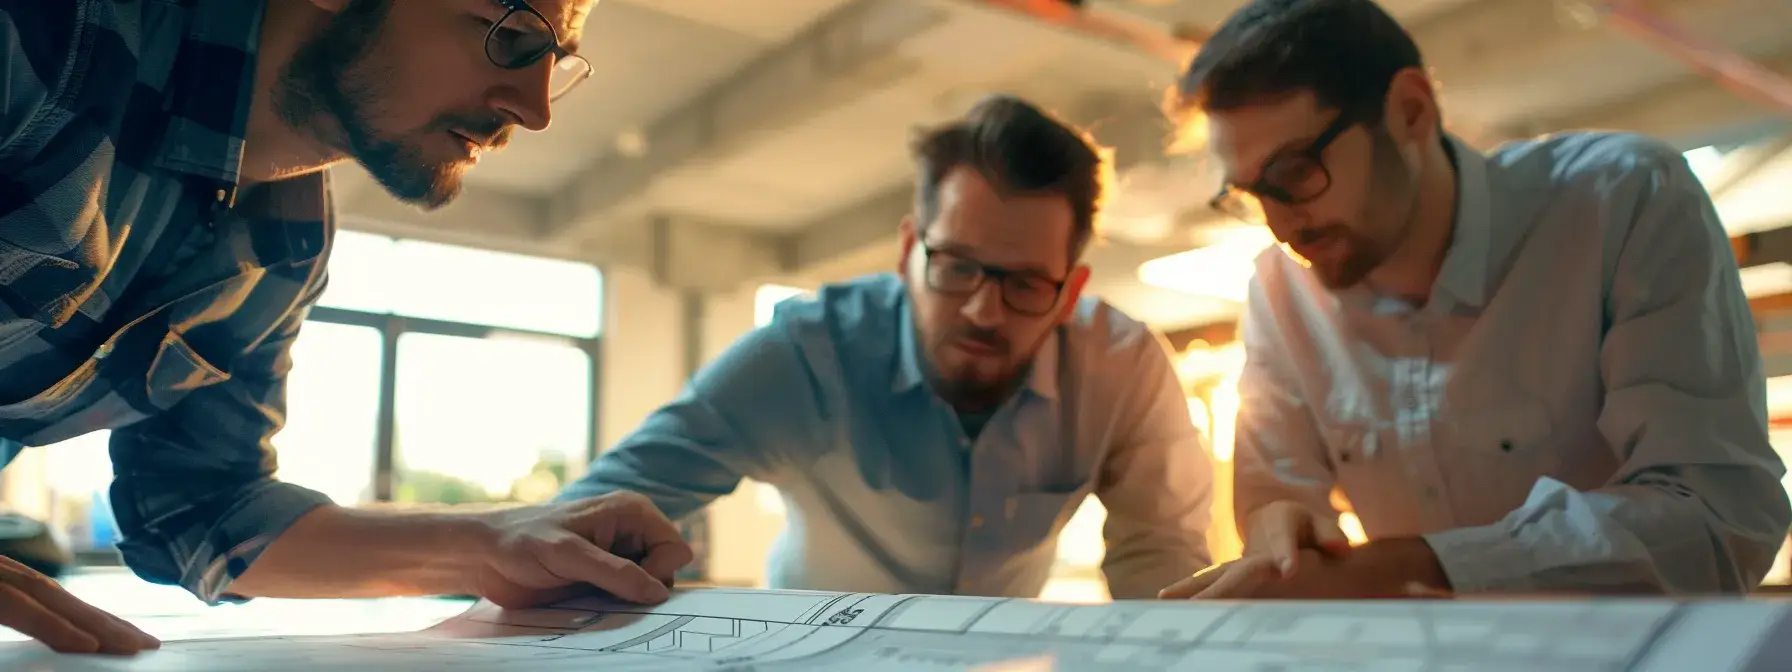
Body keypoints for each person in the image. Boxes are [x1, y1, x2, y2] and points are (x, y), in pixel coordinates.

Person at [0, 0, 691, 654]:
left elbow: (202, 511)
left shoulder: (288, 247)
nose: (535, 110)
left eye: (555, 63)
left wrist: (493, 541)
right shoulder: (58, 34)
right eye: (508, 35)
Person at [1156, 0, 1792, 601]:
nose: (1279, 224)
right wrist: (1280, 529)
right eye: (1248, 193)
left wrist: (1406, 568)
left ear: (1411, 110)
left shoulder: (1620, 202)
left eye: (1295, 172)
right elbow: (1277, 495)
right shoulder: (1278, 287)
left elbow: (1717, 518)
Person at [558, 94, 1215, 599]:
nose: (984, 311)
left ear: (1070, 293)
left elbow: (1161, 559)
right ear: (908, 253)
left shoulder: (1121, 369)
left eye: (1024, 284)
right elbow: (589, 519)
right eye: (957, 266)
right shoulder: (803, 356)